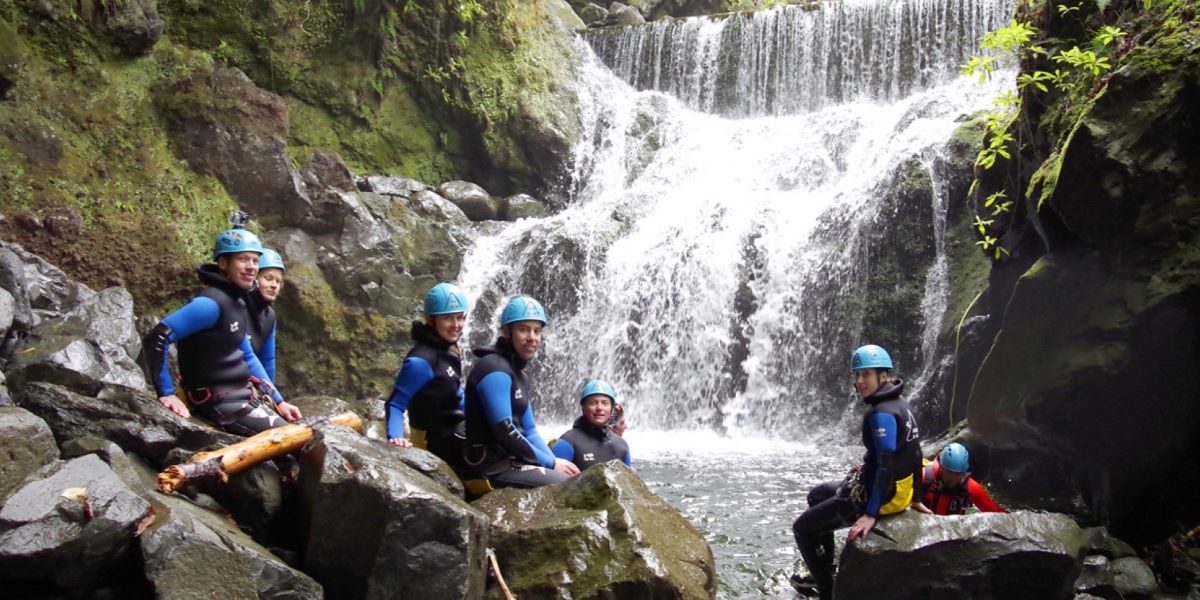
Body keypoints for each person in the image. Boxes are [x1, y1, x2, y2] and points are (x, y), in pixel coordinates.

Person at [790, 344, 922, 599]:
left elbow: (886, 464)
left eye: (866, 375)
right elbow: (915, 453)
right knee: (816, 495)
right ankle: (826, 568)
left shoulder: (880, 415)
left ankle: (827, 591)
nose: (859, 381)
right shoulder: (901, 404)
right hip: (897, 492)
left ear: (883, 376)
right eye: (857, 375)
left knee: (802, 529)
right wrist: (916, 498)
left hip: (880, 497)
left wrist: (870, 513)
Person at [142, 228, 302, 436]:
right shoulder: (210, 304)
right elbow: (157, 338)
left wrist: (279, 401)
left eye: (255, 261)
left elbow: (248, 355)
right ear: (223, 264)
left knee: (297, 439)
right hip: (217, 400)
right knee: (292, 438)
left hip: (239, 395)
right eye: (243, 259)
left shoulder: (237, 303)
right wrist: (166, 393)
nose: (251, 267)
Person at [463, 295, 579, 489]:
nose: (532, 338)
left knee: (572, 478)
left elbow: (531, 431)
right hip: (489, 468)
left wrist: (553, 462)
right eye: (524, 330)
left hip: (512, 462)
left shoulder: (520, 375)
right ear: (508, 332)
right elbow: (505, 431)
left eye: (537, 331)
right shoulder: (494, 369)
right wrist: (551, 464)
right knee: (567, 487)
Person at [385, 282, 469, 471]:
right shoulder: (421, 361)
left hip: (455, 431)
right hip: (433, 441)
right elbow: (395, 404)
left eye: (460, 318)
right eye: (448, 318)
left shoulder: (449, 350)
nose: (456, 325)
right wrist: (395, 437)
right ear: (432, 320)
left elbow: (456, 394)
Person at [552, 379, 631, 471]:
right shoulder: (567, 442)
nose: (599, 408)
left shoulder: (622, 446)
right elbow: (550, 482)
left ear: (611, 409)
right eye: (593, 403)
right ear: (583, 408)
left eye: (605, 403)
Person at [911, 443, 1005, 515]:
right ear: (942, 468)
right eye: (950, 473)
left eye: (958, 474)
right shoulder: (923, 478)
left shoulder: (971, 488)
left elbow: (998, 514)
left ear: (964, 472)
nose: (953, 478)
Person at [247, 248, 285, 382]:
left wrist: (274, 399)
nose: (274, 285)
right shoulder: (234, 306)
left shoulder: (269, 316)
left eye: (278, 281)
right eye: (268, 278)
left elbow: (268, 360)